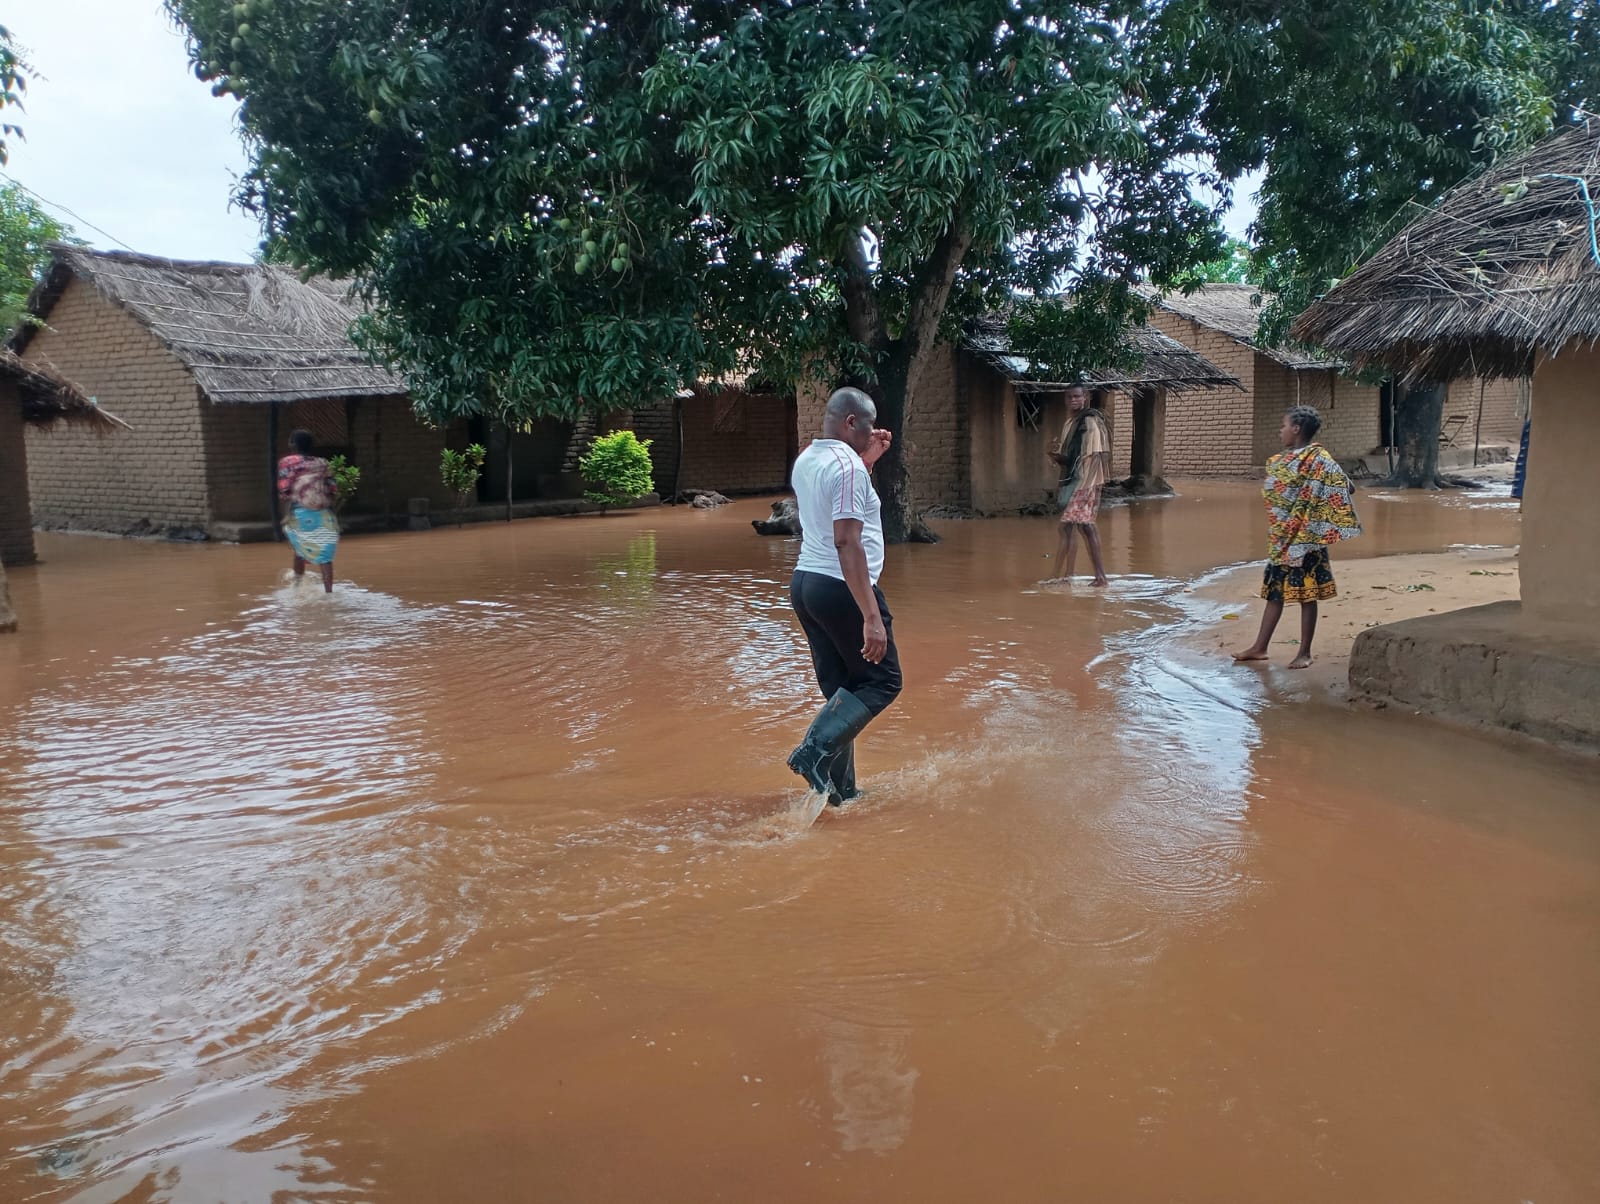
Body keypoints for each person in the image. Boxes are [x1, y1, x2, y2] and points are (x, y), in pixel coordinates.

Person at [786, 387, 902, 806]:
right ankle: (813, 754)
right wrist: (871, 615)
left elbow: (835, 500)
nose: (875, 433)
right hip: (842, 587)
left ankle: (839, 793)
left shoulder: (809, 457)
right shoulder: (847, 466)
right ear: (851, 422)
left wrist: (866, 460)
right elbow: (846, 542)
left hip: (806, 585)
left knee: (843, 691)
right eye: (869, 426)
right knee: (883, 681)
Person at [1233, 405, 1362, 669]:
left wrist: (1315, 500)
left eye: (1283, 426)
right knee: (1274, 593)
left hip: (1307, 539)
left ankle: (1304, 652)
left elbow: (1347, 487)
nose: (1280, 431)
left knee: (1307, 594)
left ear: (1296, 428)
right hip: (1282, 539)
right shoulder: (1283, 461)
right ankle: (1259, 647)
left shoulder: (1319, 458)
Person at [1047, 385, 1111, 586]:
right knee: (1070, 528)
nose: (1073, 400)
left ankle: (1098, 577)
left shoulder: (1091, 422)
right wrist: (1055, 456)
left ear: (1086, 397)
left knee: (1082, 527)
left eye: (1077, 396)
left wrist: (1089, 486)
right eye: (1069, 397)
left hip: (1086, 481)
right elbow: (1070, 458)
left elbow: (1097, 455)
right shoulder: (1070, 424)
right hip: (1074, 480)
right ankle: (1066, 574)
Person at [276, 429, 340, 593]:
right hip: (324, 515)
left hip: (301, 514)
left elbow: (285, 490)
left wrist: (286, 515)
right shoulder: (322, 463)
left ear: (292, 445)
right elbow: (333, 488)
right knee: (325, 557)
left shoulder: (287, 462)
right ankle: (329, 593)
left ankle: (297, 587)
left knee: (299, 550)